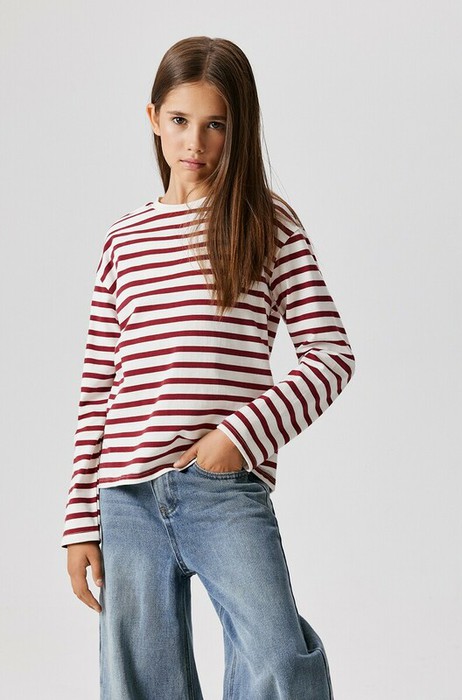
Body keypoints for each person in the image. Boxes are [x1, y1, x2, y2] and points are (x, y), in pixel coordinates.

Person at [62, 35, 355, 700]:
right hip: (126, 498)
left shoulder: (266, 223)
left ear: (239, 128)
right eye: (180, 120)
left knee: (278, 661)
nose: (195, 142)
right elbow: (97, 387)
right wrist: (79, 519)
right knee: (140, 684)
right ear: (153, 118)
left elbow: (330, 355)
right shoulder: (123, 241)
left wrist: (235, 439)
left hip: (223, 488)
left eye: (215, 124)